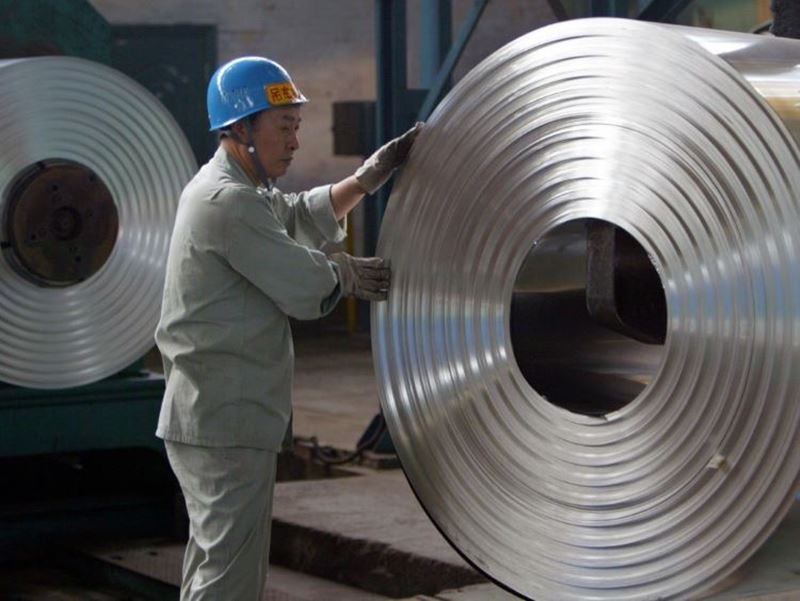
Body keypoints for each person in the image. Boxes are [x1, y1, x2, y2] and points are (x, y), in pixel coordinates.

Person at [154, 56, 421, 600]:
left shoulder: (238, 189)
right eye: (284, 127)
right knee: (229, 579)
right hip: (225, 420)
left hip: (218, 416)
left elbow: (293, 216)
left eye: (296, 126)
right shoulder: (227, 201)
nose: (295, 141)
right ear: (241, 128)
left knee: (215, 564)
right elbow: (301, 282)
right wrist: (347, 273)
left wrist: (364, 180)